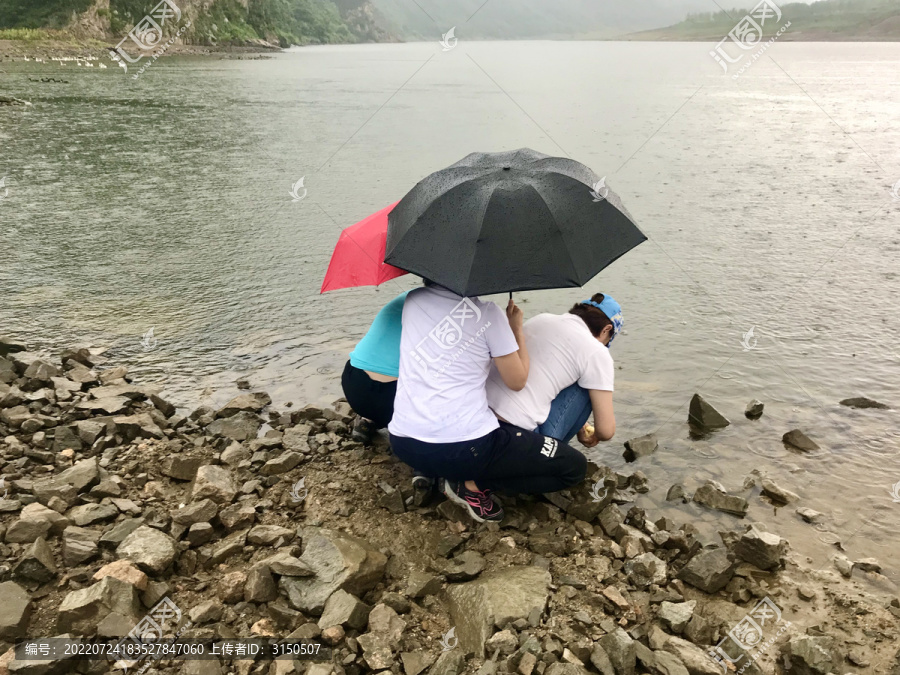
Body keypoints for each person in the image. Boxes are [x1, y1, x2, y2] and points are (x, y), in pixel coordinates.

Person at [388, 282, 588, 523]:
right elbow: (517, 380)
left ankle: (439, 472)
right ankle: (470, 484)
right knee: (574, 467)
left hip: (404, 443)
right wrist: (515, 330)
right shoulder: (489, 313)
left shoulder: (413, 300)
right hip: (465, 451)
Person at [485, 292, 621, 447]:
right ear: (606, 329)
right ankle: (554, 452)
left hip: (482, 416)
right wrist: (594, 435)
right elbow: (606, 431)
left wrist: (580, 424)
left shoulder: (542, 318)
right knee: (593, 384)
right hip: (520, 434)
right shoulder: (597, 351)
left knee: (573, 372)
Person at [341, 290, 409, 444]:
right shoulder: (455, 311)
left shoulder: (403, 298)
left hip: (355, 387)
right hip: (394, 401)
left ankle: (367, 421)